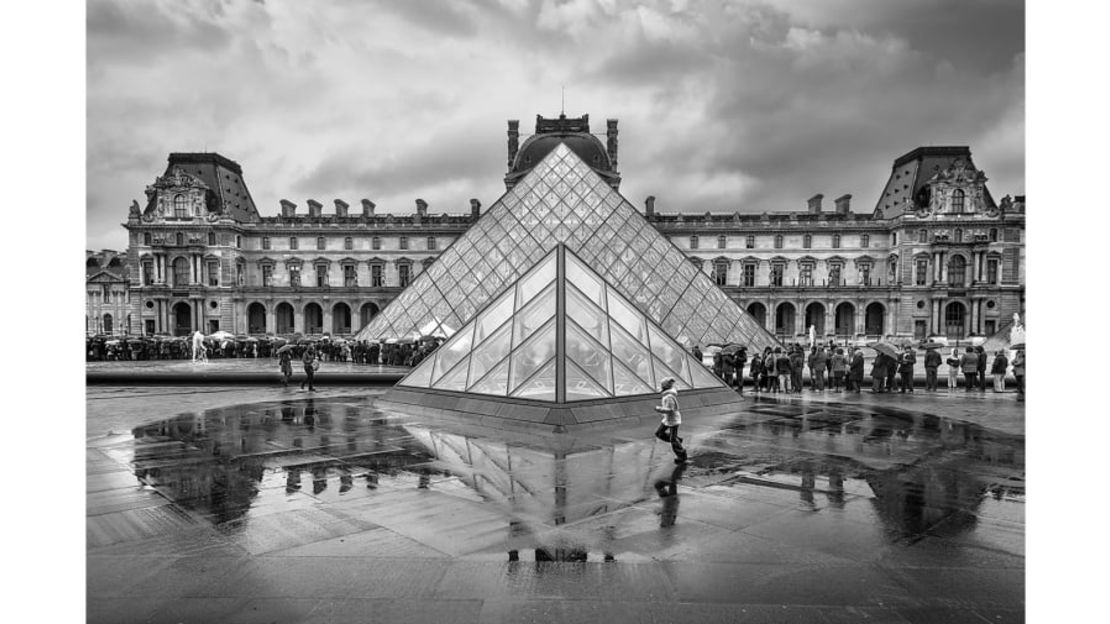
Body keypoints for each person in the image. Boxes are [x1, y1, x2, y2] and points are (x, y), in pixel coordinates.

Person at [653, 377, 687, 464]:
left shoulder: (669, 397)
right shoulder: (667, 395)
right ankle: (677, 440)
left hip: (673, 420)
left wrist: (659, 409)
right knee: (659, 433)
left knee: (672, 439)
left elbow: (670, 409)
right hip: (667, 419)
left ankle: (682, 455)